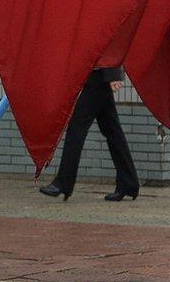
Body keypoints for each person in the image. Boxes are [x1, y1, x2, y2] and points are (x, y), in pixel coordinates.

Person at [40, 67, 140, 201]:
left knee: (77, 128)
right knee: (113, 132)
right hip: (98, 76)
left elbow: (111, 47)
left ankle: (64, 182)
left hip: (99, 77)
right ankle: (129, 183)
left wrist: (112, 74)